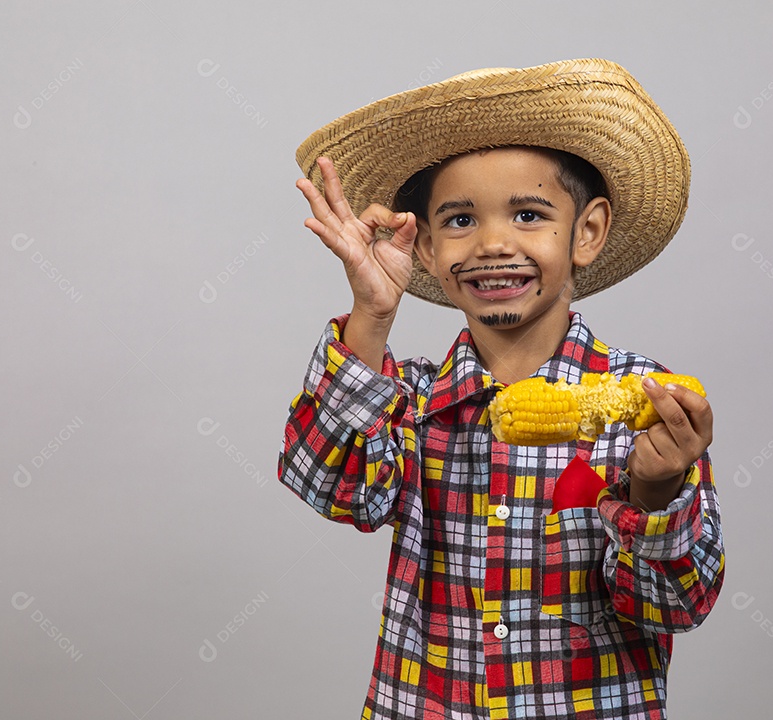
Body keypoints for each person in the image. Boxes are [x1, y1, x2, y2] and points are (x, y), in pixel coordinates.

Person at [277, 58, 724, 720]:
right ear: (424, 246)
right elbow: (335, 489)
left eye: (528, 214)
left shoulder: (646, 408)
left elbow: (677, 605)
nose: (491, 243)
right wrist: (370, 314)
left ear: (588, 232)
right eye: (459, 221)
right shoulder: (412, 403)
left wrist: (656, 493)